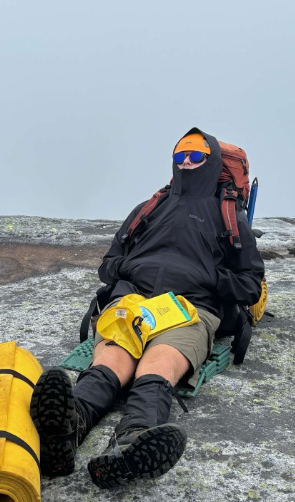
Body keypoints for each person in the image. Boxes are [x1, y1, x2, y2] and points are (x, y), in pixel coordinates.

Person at [30, 127, 264, 488]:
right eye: (180, 156)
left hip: (191, 307)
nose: (186, 163)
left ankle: (130, 443)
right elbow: (109, 263)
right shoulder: (149, 208)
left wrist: (210, 280)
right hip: (133, 299)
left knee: (159, 363)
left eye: (196, 156)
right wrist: (131, 270)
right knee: (113, 357)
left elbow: (250, 284)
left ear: (212, 162)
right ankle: (67, 428)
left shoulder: (228, 214)